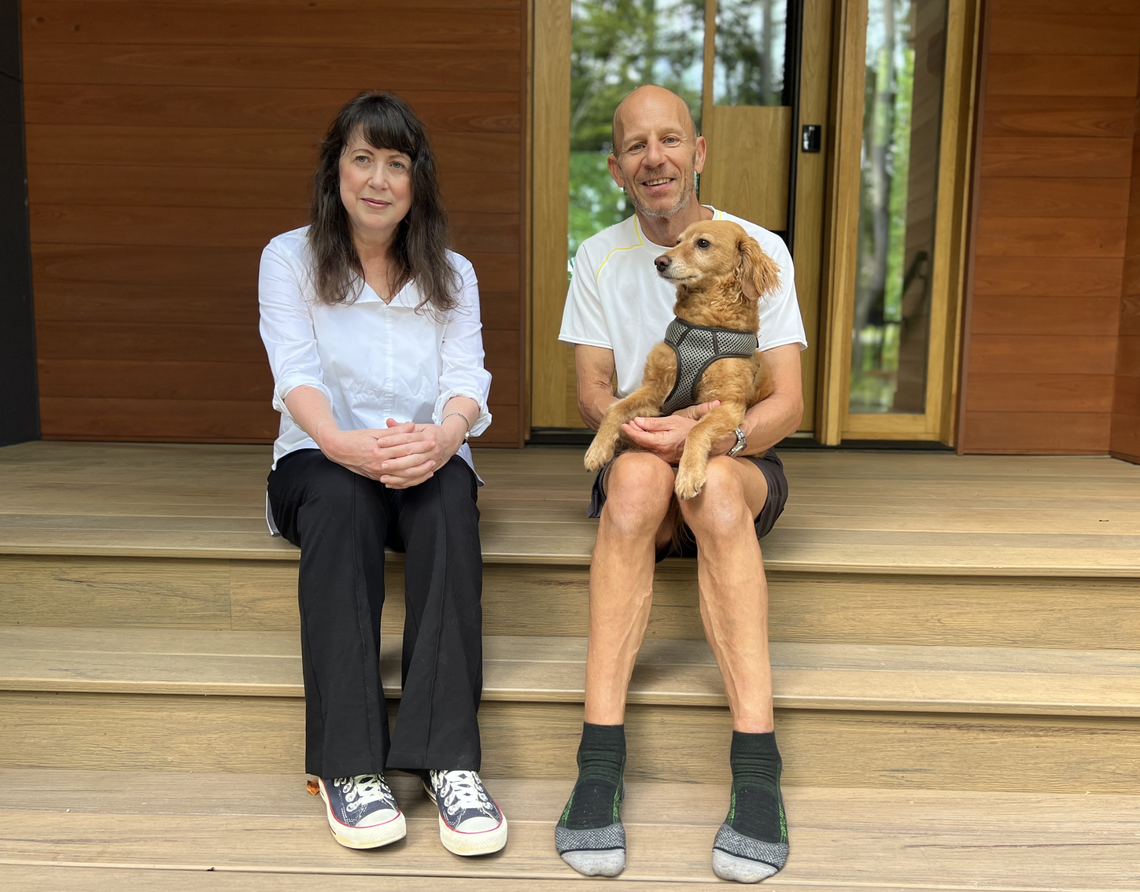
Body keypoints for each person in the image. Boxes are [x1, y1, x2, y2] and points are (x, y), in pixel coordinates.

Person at [555, 85, 806, 883]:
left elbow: (789, 402)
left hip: (733, 453)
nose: (653, 157)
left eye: (670, 141)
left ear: (698, 153)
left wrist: (718, 434)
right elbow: (594, 389)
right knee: (634, 487)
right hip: (640, 443)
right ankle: (598, 764)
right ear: (617, 167)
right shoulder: (597, 255)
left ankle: (757, 770)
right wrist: (649, 434)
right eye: (635, 145)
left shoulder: (754, 245)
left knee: (717, 491)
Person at [259, 91, 507, 856]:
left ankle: (447, 759)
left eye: (395, 164)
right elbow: (294, 371)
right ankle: (351, 766)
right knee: (342, 503)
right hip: (319, 459)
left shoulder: (452, 272)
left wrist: (447, 436)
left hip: (424, 451)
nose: (377, 179)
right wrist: (338, 442)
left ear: (416, 180)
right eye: (362, 159)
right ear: (337, 170)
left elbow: (468, 374)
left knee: (448, 498)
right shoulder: (288, 257)